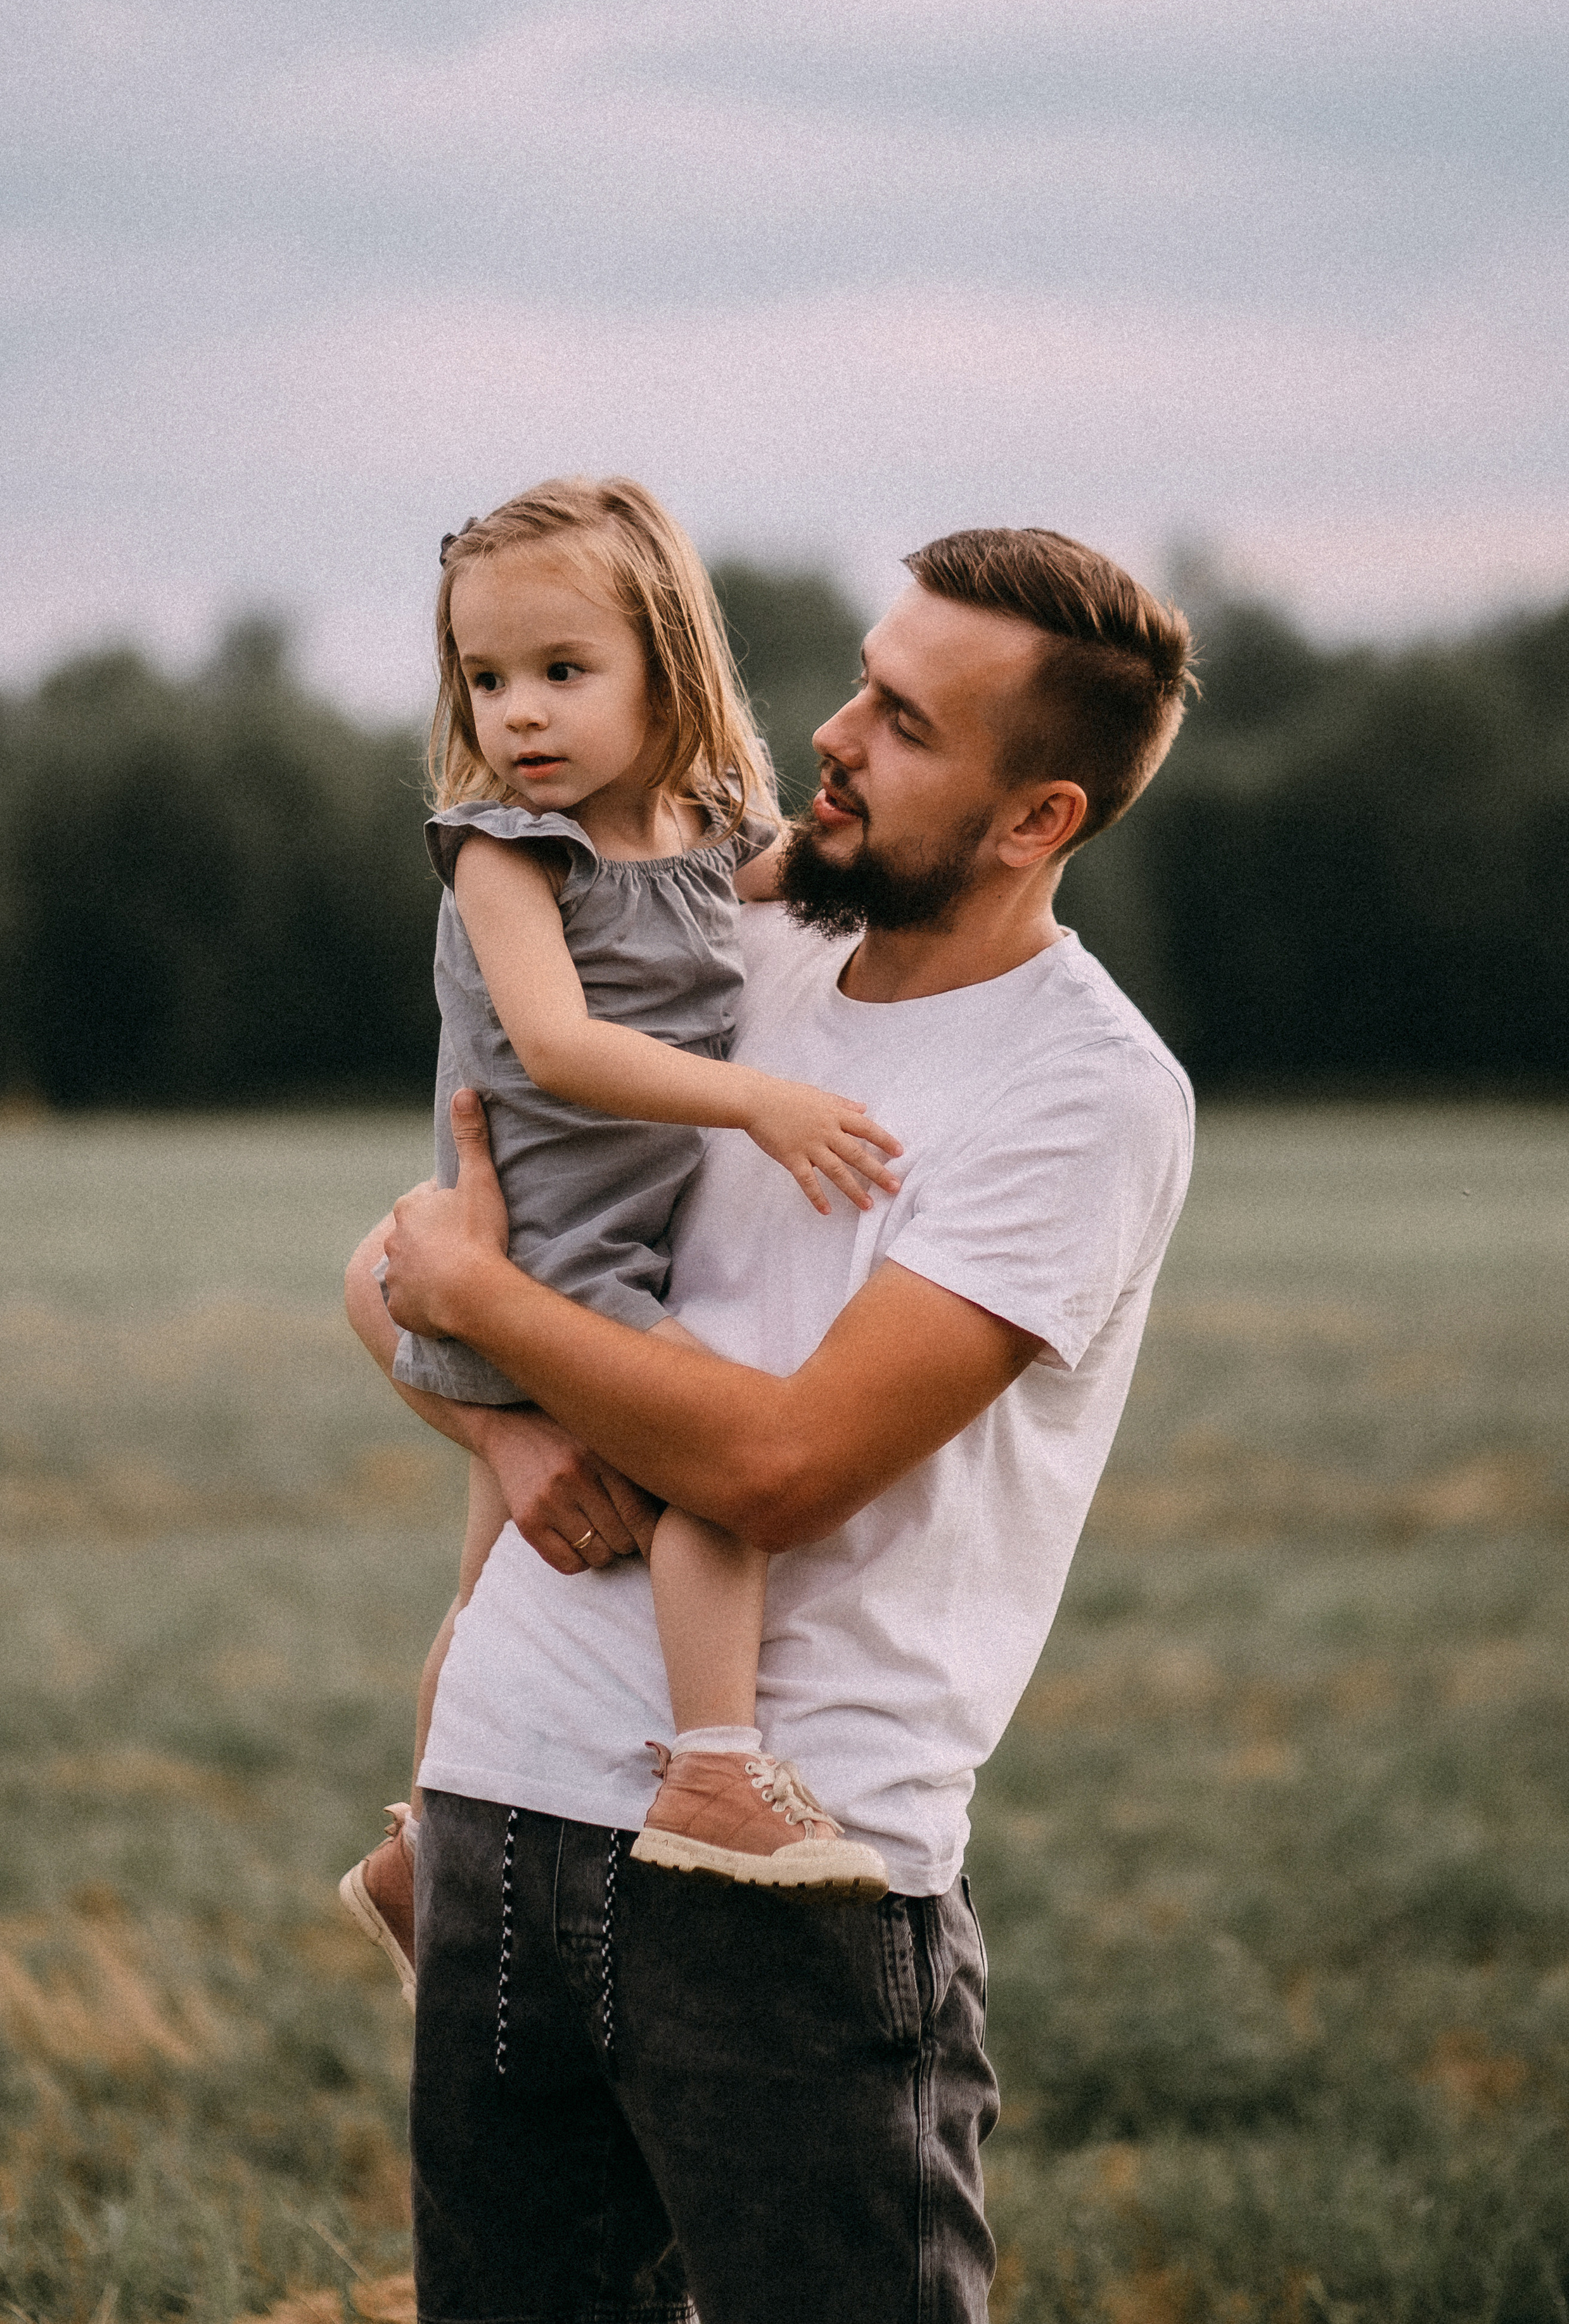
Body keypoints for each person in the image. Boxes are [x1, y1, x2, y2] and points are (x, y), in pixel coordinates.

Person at [352, 520, 1196, 2324]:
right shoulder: (743, 953)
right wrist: (506, 1436)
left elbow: (779, 1466)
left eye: (902, 720)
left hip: (785, 1876)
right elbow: (407, 1257)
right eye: (860, 680)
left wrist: (490, 1313)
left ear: (1037, 815)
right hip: (502, 1808)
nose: (833, 732)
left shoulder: (1087, 1091)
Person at [340, 478, 901, 2010]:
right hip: (545, 1260)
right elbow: (560, 1045)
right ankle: (717, 1769)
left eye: (561, 672)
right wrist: (758, 1104)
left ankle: (414, 1856)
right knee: (721, 1470)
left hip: (603, 1255)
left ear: (666, 660)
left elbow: (816, 878)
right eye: (485, 677)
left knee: (484, 1603)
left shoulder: (705, 828)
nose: (516, 712)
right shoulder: (505, 853)